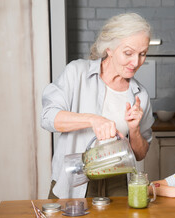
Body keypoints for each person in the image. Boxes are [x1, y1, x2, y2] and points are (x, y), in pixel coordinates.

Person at [41, 13, 155, 199]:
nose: (136, 62)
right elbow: (47, 117)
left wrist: (134, 130)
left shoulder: (139, 94)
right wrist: (92, 120)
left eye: (142, 54)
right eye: (128, 53)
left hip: (117, 182)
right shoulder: (77, 73)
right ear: (109, 49)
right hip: (73, 178)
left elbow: (140, 154)